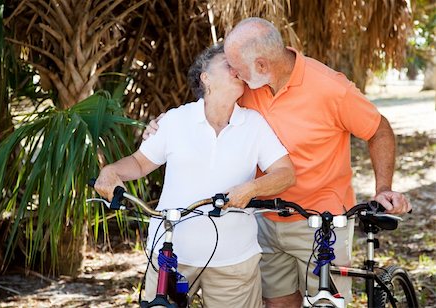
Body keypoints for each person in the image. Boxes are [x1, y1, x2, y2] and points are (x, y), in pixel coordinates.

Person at [143, 17, 412, 308]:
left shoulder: (330, 88)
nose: (234, 73)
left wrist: (383, 187)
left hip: (321, 222)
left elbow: (378, 129)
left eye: (237, 67)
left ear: (261, 65)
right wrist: (160, 126)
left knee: (325, 305)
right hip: (264, 220)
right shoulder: (249, 86)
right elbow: (208, 108)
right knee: (277, 304)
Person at [94, 43, 296, 308]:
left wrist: (250, 189)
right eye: (228, 63)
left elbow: (286, 173)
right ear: (205, 76)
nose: (236, 68)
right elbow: (140, 163)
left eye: (239, 64)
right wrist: (110, 171)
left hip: (233, 261)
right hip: (171, 252)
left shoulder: (254, 124)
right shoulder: (175, 121)